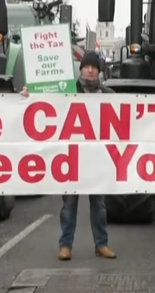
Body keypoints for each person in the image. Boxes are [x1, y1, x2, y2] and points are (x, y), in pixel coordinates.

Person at [23, 51, 116, 261]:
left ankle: (101, 244)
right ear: (81, 69)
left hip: (97, 158)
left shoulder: (109, 94)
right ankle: (65, 245)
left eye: (94, 67)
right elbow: (44, 104)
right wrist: (30, 95)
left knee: (99, 206)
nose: (90, 70)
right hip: (70, 158)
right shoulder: (66, 91)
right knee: (69, 205)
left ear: (99, 71)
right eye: (87, 67)